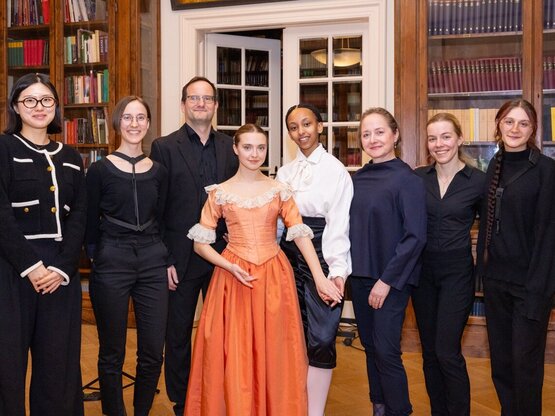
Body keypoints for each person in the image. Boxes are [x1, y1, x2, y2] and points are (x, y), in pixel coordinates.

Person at [184, 123, 342, 415]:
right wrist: (229, 265)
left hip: (273, 277)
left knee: (275, 349)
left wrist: (320, 277)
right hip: (232, 279)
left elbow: (299, 233)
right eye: (248, 147)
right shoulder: (219, 193)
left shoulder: (279, 189)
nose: (254, 154)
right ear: (235, 149)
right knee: (235, 349)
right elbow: (200, 244)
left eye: (260, 147)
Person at [149, 76, 239, 416]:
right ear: (184, 104)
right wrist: (164, 258)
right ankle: (181, 400)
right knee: (178, 334)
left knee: (223, 333)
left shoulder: (230, 145)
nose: (200, 103)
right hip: (180, 258)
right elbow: (157, 207)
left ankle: (219, 395)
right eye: (194, 98)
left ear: (215, 105)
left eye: (207, 98)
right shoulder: (164, 146)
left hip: (222, 257)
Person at [0, 73, 86, 415]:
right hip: (12, 269)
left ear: (56, 107)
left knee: (59, 366)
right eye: (30, 100)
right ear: (16, 108)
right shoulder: (3, 148)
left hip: (60, 273)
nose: (39, 107)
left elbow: (79, 216)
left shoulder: (71, 156)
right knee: (7, 364)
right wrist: (32, 266)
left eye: (46, 100)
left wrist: (63, 268)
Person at [85, 96, 171, 416]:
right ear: (118, 123)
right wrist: (97, 257)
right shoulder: (99, 169)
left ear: (148, 124)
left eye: (141, 118)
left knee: (152, 351)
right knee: (112, 352)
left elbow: (163, 218)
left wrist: (163, 255)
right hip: (112, 258)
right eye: (128, 118)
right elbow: (88, 219)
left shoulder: (159, 171)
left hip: (152, 259)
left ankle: (141, 412)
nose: (134, 124)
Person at [475, 99, 555, 416]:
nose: (515, 129)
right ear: (499, 125)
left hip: (530, 286)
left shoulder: (548, 171)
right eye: (509, 122)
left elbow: (550, 236)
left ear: (533, 129)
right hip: (496, 283)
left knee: (526, 367)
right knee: (502, 364)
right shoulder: (494, 165)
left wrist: (539, 291)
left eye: (523, 123)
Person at [349, 107, 427, 416]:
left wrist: (386, 281)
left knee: (386, 350)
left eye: (379, 131)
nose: (372, 139)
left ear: (395, 135)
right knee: (369, 346)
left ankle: (400, 410)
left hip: (391, 279)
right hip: (361, 276)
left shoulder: (408, 179)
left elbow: (415, 236)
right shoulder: (357, 178)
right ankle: (378, 406)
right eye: (366, 134)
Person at [276, 103, 353, 416]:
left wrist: (337, 271)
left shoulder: (336, 170)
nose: (301, 132)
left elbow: (339, 223)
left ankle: (315, 412)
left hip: (322, 253)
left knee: (321, 338)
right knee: (290, 337)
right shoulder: (284, 172)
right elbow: (278, 224)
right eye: (294, 127)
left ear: (320, 127)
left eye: (306, 124)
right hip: (286, 258)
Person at [412, 112, 486, 415]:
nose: (439, 144)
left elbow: (493, 229)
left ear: (459, 139)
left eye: (445, 136)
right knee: (430, 353)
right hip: (422, 275)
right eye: (433, 138)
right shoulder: (417, 179)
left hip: (457, 273)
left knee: (447, 351)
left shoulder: (478, 181)